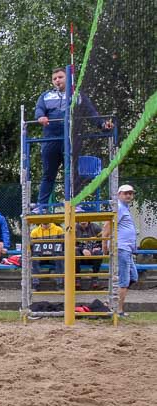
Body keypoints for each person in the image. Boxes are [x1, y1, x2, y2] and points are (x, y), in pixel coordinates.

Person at [34, 67, 113, 210]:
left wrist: (102, 124)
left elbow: (91, 113)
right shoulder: (46, 96)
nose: (57, 80)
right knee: (48, 174)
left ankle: (75, 203)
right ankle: (42, 206)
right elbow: (39, 109)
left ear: (68, 78)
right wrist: (40, 117)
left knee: (72, 172)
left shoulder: (78, 95)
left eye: (60, 77)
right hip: (51, 140)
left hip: (71, 139)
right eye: (55, 78)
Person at [103, 184, 137, 316]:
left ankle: (111, 301)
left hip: (127, 249)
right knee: (124, 280)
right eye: (125, 193)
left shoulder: (124, 208)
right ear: (119, 195)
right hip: (122, 248)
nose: (128, 195)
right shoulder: (120, 208)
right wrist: (104, 243)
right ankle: (119, 310)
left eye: (130, 193)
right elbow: (107, 224)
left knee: (133, 277)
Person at [30, 222, 64, 291]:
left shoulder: (59, 230)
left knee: (60, 258)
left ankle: (60, 283)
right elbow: (32, 247)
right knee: (34, 258)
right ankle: (35, 283)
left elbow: (63, 245)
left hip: (54, 255)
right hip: (40, 256)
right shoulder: (34, 232)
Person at [75, 220, 103, 289]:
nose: (83, 221)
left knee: (99, 253)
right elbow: (70, 245)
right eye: (81, 218)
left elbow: (104, 241)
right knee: (74, 252)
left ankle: (95, 279)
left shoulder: (96, 228)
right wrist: (82, 249)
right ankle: (77, 278)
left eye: (85, 218)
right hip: (80, 256)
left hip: (92, 256)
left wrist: (98, 247)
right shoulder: (74, 228)